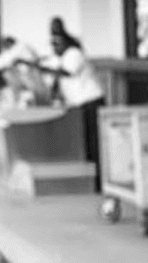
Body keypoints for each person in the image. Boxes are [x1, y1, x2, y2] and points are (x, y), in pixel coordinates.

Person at [36, 18, 105, 184]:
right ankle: (92, 179)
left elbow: (67, 73)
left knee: (95, 142)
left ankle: (100, 179)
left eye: (57, 45)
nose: (54, 48)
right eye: (52, 45)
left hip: (91, 102)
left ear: (65, 43)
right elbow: (55, 80)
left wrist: (43, 68)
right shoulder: (59, 58)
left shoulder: (74, 53)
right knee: (86, 143)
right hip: (79, 106)